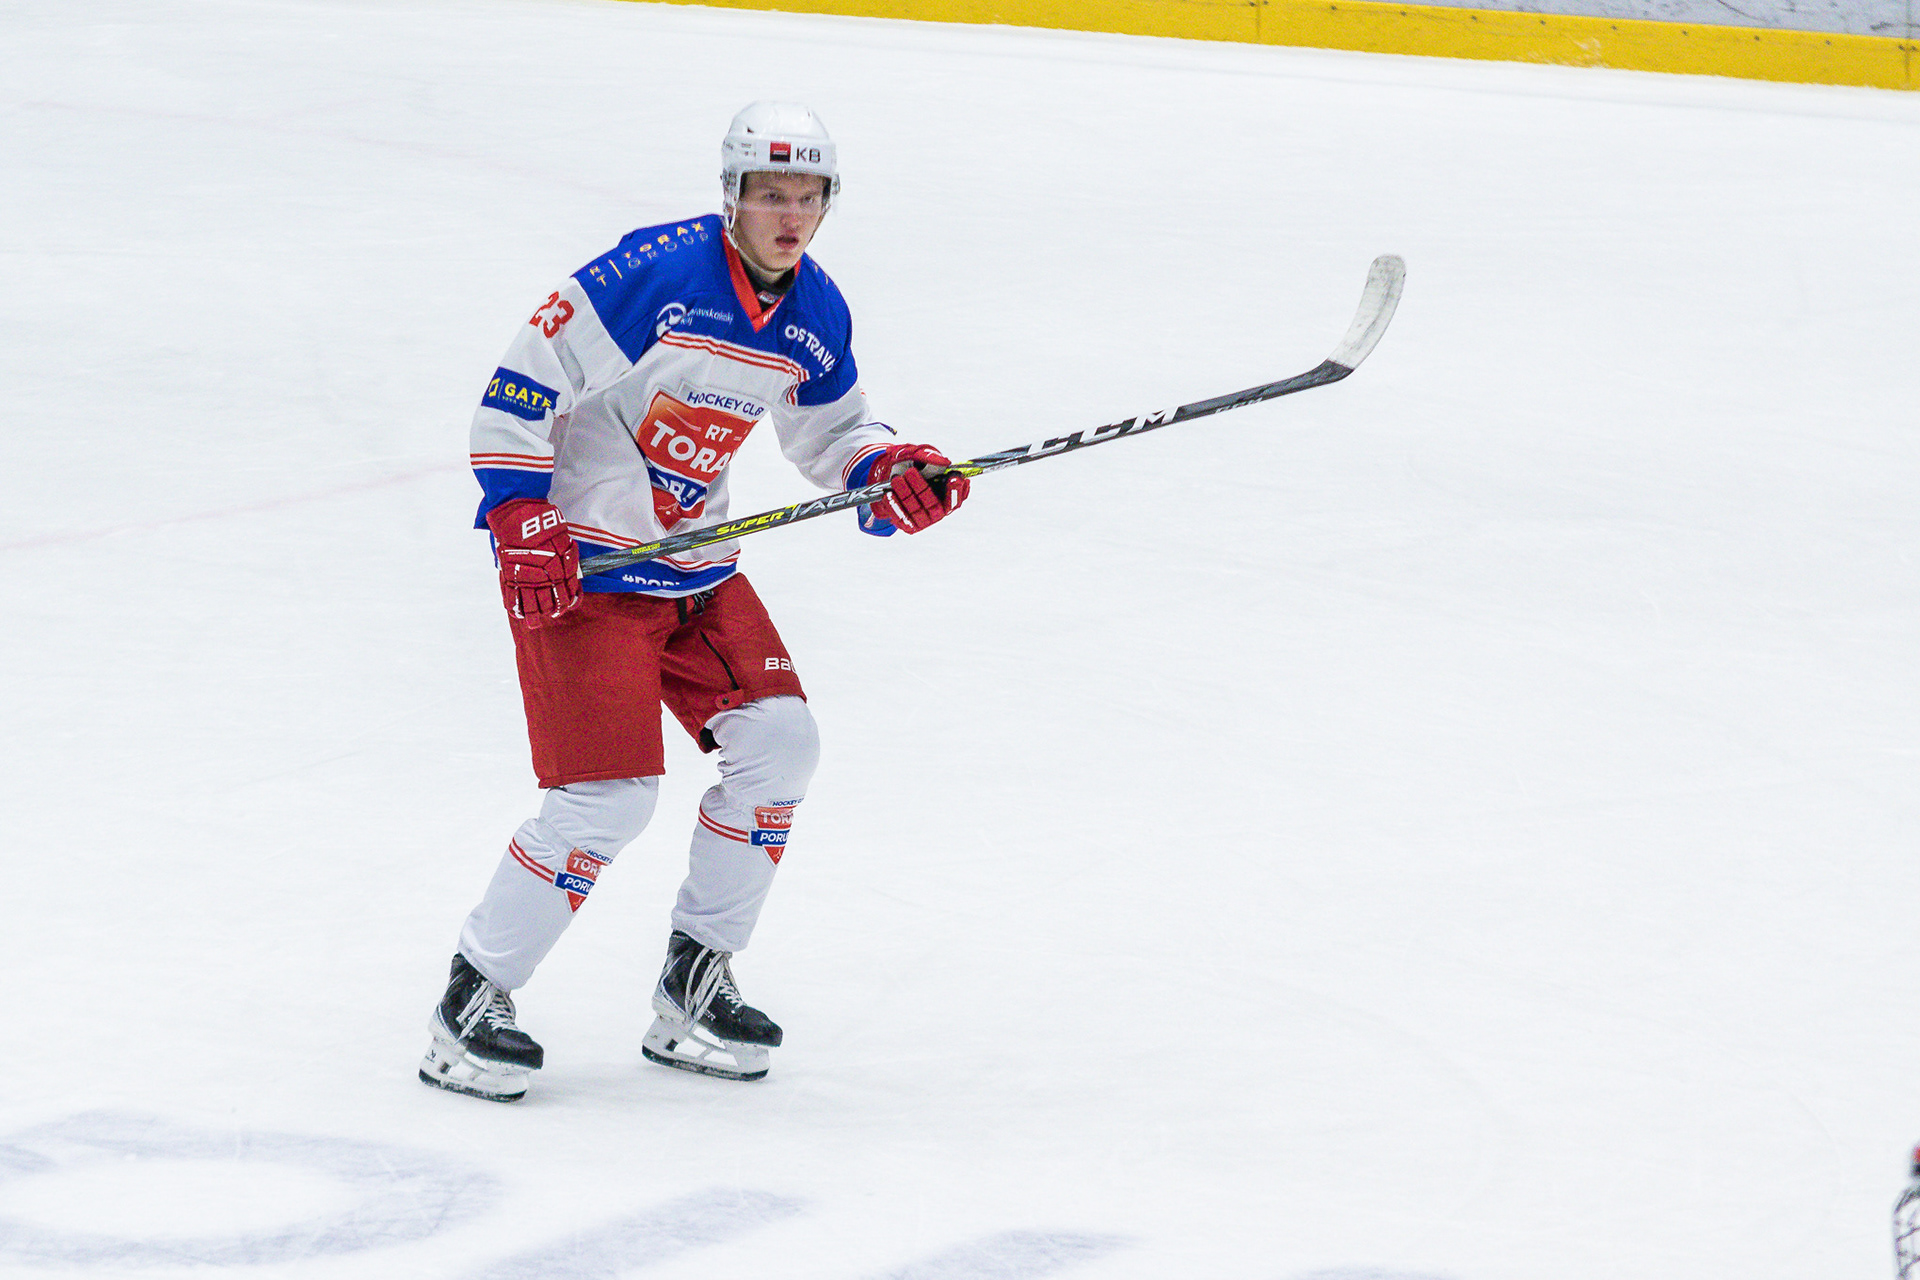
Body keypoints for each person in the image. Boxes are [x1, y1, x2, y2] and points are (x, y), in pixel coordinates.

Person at [419, 101, 969, 1102]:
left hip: (692, 566)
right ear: (732, 195)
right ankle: (472, 998)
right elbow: (520, 384)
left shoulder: (815, 311)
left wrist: (885, 470)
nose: (790, 216)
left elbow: (833, 431)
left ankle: (694, 986)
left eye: (808, 197)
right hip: (587, 567)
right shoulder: (658, 273)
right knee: (606, 799)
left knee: (782, 746)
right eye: (771, 194)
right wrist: (519, 510)